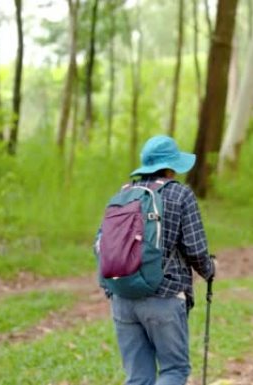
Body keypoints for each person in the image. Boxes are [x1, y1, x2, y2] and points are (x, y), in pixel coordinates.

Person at [98, 135, 215, 385]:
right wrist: (209, 270)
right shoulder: (180, 194)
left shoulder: (123, 195)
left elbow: (100, 245)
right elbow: (195, 249)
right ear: (172, 167)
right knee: (174, 370)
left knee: (138, 377)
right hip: (164, 296)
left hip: (122, 297)